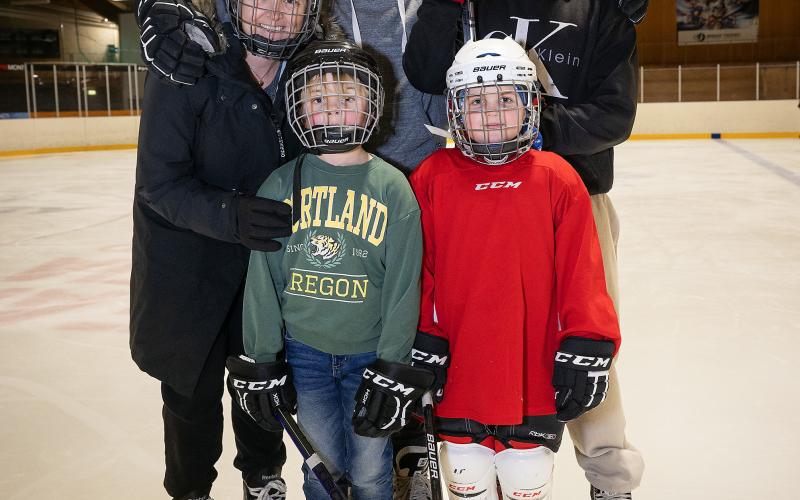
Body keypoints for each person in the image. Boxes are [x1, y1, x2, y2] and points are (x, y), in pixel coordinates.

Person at [403, 1, 645, 498]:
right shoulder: (469, 5)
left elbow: (615, 114)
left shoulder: (599, 9)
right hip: (474, 188)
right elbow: (427, 74)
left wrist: (522, 137)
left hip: (571, 190)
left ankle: (608, 476)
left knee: (584, 337)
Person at [129, 0, 327, 499]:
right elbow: (159, 183)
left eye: (295, 0)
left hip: (262, 266)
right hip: (186, 266)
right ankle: (190, 486)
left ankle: (263, 477)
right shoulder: (184, 62)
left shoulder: (308, 76)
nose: (280, 12)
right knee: (189, 394)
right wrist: (229, 213)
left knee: (260, 381)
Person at [228, 38, 434, 500]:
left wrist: (393, 362)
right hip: (307, 356)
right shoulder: (280, 183)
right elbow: (263, 281)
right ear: (299, 105)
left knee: (369, 470)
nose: (334, 110)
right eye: (319, 100)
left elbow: (404, 286)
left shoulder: (393, 188)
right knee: (322, 468)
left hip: (369, 356)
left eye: (348, 99)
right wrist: (263, 359)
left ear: (370, 106)